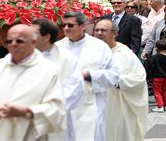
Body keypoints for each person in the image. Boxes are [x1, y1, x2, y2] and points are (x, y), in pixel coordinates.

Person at [0, 24, 65, 140]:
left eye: (19, 41)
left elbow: (57, 109)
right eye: (9, 41)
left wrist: (27, 111)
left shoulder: (50, 71)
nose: (14, 44)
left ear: (34, 42)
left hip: (29, 134)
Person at [56, 11, 119, 140]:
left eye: (70, 25)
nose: (66, 28)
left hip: (90, 104)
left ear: (82, 26)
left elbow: (113, 75)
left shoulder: (100, 47)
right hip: (64, 107)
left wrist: (89, 75)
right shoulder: (57, 48)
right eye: (64, 25)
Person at [93, 19, 148, 140]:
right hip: (93, 106)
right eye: (97, 30)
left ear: (115, 33)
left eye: (103, 30)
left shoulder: (124, 53)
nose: (99, 33)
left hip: (117, 105)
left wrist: (118, 81)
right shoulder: (90, 53)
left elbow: (139, 77)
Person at [31, 19, 84, 140]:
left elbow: (75, 89)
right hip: (28, 118)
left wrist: (45, 107)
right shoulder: (23, 56)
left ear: (46, 37)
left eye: (34, 33)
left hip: (56, 117)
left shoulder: (67, 59)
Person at [148, 39, 166, 112]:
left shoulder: (155, 57)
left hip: (157, 77)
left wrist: (149, 76)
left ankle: (160, 106)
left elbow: (151, 66)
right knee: (164, 90)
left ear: (156, 48)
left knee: (157, 91)